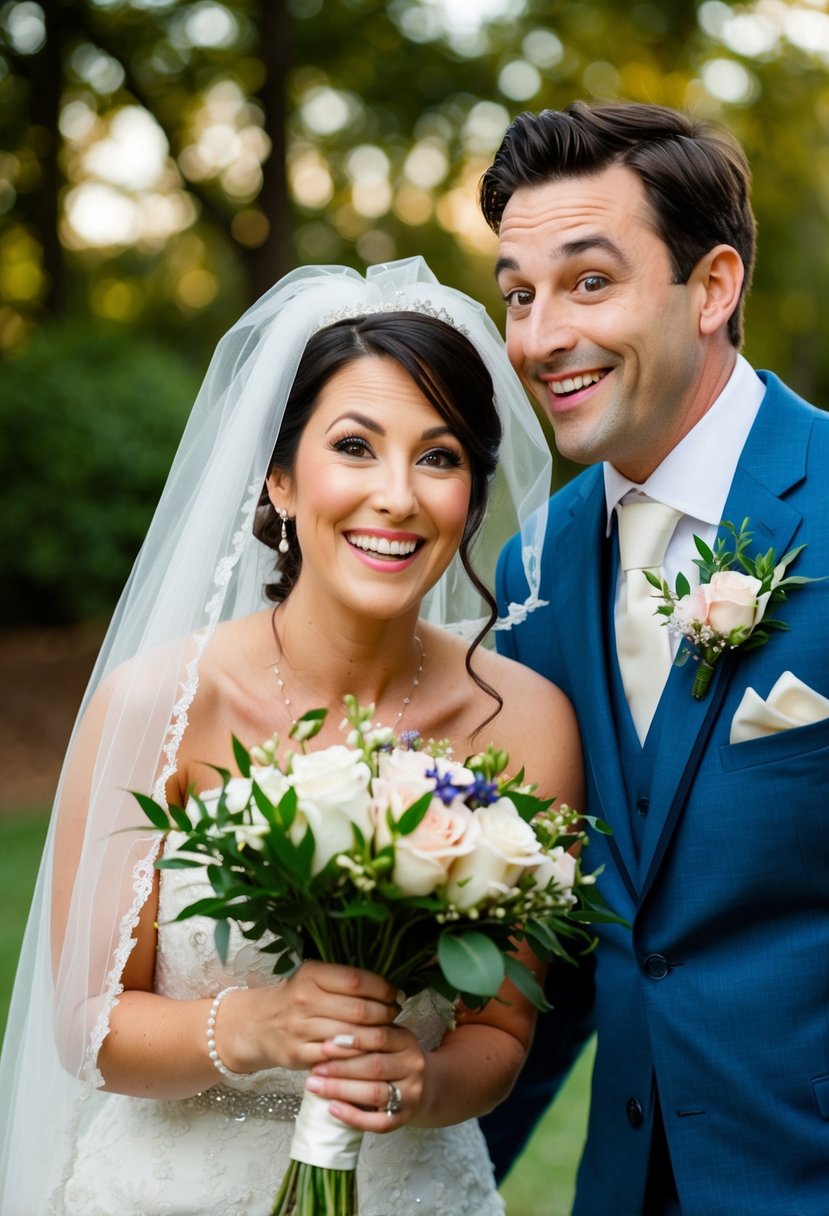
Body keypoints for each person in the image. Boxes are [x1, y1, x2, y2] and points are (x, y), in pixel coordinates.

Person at [0, 257, 582, 1216]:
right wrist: (260, 1027)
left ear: (472, 498)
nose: (397, 495)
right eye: (355, 446)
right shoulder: (159, 706)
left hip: (413, 1190)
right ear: (277, 478)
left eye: (438, 457)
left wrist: (420, 1084)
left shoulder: (522, 722)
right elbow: (88, 1026)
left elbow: (501, 1031)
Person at [478, 100, 829, 1216]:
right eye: (518, 296)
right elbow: (559, 946)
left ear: (712, 288)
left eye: (588, 282)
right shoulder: (536, 567)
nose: (538, 339)